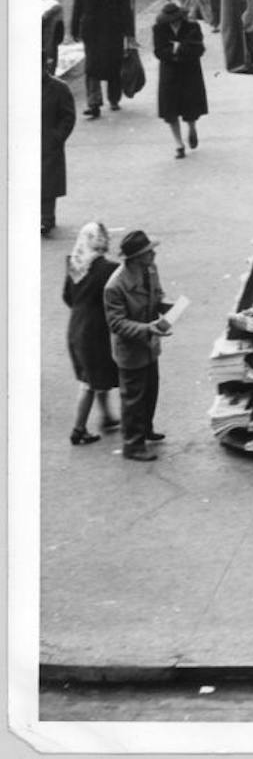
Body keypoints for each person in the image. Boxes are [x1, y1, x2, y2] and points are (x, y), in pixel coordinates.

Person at [103, 230, 171, 462]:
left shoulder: (150, 269)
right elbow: (117, 323)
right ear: (136, 257)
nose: (153, 253)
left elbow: (158, 294)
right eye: (148, 251)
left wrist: (167, 307)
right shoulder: (115, 286)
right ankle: (132, 444)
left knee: (150, 390)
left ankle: (146, 429)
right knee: (133, 399)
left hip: (149, 345)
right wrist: (148, 329)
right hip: (131, 350)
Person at [62, 222, 121, 444]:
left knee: (97, 374)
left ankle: (107, 416)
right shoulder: (108, 269)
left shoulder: (75, 264)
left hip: (76, 326)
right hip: (95, 331)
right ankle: (78, 429)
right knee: (90, 380)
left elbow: (67, 296)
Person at [70, 0, 134, 119]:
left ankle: (114, 98)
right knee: (91, 66)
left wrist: (130, 33)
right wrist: (74, 28)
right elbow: (78, 4)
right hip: (91, 28)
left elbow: (125, 6)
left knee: (114, 63)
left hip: (113, 28)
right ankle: (94, 103)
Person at [152, 0, 207, 159]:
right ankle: (178, 144)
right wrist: (179, 49)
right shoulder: (159, 29)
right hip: (169, 73)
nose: (174, 23)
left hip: (189, 71)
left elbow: (198, 48)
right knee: (170, 110)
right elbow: (159, 51)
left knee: (190, 107)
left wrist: (176, 49)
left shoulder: (192, 27)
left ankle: (192, 128)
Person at [41, 62, 76, 236]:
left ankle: (46, 218)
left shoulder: (58, 88)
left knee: (48, 181)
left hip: (48, 142)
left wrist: (57, 137)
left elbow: (68, 117)